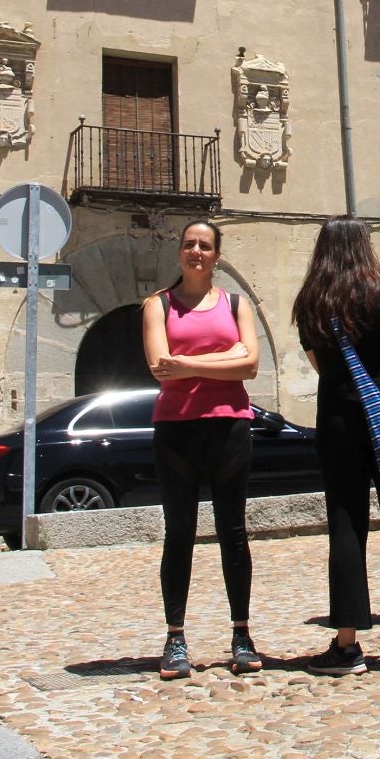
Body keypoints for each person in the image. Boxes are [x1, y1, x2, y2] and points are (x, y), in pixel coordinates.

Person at [292, 217, 380, 674]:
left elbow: (319, 364)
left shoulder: (312, 302)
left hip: (338, 414)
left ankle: (347, 643)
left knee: (345, 523)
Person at [143, 220, 261, 680]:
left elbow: (250, 365)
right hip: (176, 430)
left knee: (234, 531)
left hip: (230, 426)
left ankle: (242, 634)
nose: (196, 251)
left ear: (216, 256)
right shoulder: (157, 305)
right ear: (180, 253)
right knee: (179, 533)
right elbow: (160, 368)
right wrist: (223, 357)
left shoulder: (236, 303)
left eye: (205, 246)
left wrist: (188, 361)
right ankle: (175, 637)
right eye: (189, 244)